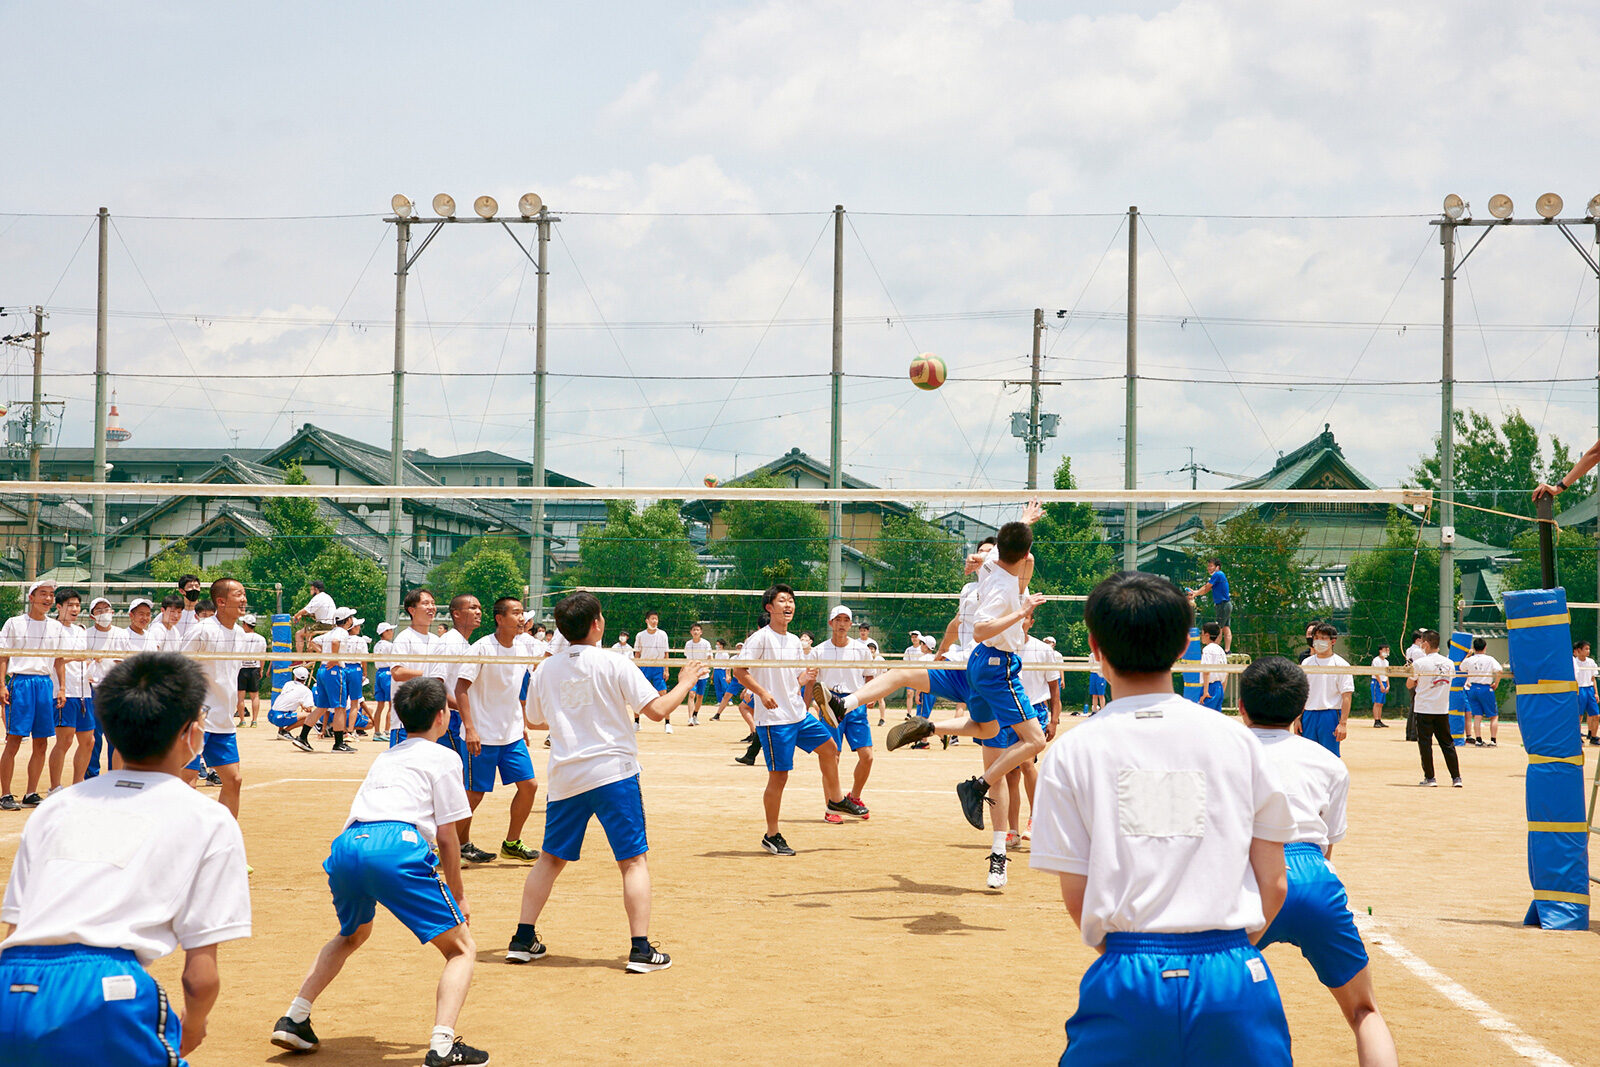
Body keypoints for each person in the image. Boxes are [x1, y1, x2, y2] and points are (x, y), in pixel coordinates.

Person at [1029, 571, 1295, 1065]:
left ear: (1094, 646)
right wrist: (1225, 947)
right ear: (1182, 647)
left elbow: (1076, 896)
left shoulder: (1070, 753)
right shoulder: (1238, 741)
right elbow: (1275, 884)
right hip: (1233, 970)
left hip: (1128, 970)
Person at [0, 651, 252, 1066]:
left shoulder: (57, 806)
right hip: (104, 986)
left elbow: (17, 924)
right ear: (190, 734)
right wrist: (195, 1023)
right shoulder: (208, 817)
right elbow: (200, 974)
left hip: (12, 981)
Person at [270, 677, 486, 1067]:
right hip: (396, 845)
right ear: (443, 716)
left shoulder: (388, 755)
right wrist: (458, 893)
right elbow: (448, 837)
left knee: (351, 935)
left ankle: (295, 1016)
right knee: (461, 948)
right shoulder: (445, 757)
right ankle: (441, 1045)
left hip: (348, 844)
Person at [508, 591, 708, 973]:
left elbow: (533, 720)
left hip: (567, 775)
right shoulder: (613, 662)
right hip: (614, 774)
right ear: (597, 624)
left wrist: (573, 714)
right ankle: (641, 949)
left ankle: (522, 939)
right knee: (633, 861)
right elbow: (657, 711)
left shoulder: (545, 669)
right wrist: (686, 679)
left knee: (550, 859)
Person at [1239, 656, 1399, 1067]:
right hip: (1313, 876)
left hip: (1247, 878)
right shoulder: (1328, 761)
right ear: (1300, 712)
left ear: (1240, 707)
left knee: (1212, 1003)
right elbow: (1328, 846)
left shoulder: (1222, 755)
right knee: (1364, 1011)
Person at [732, 584, 865, 856]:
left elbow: (792, 678)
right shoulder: (760, 638)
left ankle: (836, 800)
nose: (788, 605)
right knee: (779, 777)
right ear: (769, 607)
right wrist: (762, 693)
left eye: (791, 601)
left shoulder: (794, 641)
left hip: (798, 714)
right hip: (774, 719)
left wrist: (803, 678)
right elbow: (739, 670)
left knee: (830, 749)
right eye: (782, 601)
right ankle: (772, 835)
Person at [455, 597, 541, 863]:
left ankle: (512, 842)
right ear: (499, 619)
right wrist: (470, 728)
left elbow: (513, 690)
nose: (521, 618)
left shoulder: (523, 649)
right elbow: (460, 689)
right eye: (515, 613)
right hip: (481, 734)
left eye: (522, 613)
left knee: (529, 786)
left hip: (512, 734)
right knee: (473, 795)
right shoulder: (481, 648)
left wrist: (522, 724)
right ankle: (456, 847)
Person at [178, 578, 252, 819]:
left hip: (223, 720)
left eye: (244, 594)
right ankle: (184, 846)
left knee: (234, 780)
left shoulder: (240, 634)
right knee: (187, 781)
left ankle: (224, 842)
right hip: (196, 718)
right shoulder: (202, 630)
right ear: (221, 601)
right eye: (238, 595)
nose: (244, 599)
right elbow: (180, 669)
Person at [0, 579, 65, 810]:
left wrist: (62, 688)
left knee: (41, 743)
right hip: (21, 682)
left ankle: (30, 793)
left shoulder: (56, 627)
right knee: (14, 740)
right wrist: (2, 685)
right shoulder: (14, 623)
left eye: (51, 595)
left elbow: (59, 660)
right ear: (31, 597)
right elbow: (3, 657)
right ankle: (5, 794)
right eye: (43, 594)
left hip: (45, 684)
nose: (48, 599)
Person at [812, 605, 874, 820]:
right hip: (830, 704)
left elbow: (869, 677)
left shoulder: (861, 649)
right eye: (837, 619)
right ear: (831, 623)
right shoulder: (819, 650)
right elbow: (810, 680)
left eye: (845, 620)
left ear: (850, 624)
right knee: (832, 757)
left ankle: (854, 796)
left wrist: (870, 696)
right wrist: (805, 706)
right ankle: (831, 805)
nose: (841, 623)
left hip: (855, 704)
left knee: (867, 756)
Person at [49, 588, 95, 791]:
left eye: (77, 605)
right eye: (70, 605)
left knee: (89, 741)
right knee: (65, 740)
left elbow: (84, 657)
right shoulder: (51, 629)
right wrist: (75, 657)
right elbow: (50, 660)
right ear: (59, 607)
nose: (75, 609)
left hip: (84, 692)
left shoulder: (81, 630)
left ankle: (78, 784)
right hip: (63, 692)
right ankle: (55, 787)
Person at [1408, 630, 1461, 787]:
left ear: (1426, 644)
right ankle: (1456, 778)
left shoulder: (1420, 663)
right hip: (1442, 709)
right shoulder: (1449, 663)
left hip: (1424, 708)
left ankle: (1430, 778)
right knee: (1447, 744)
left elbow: (1409, 684)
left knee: (1425, 744)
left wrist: (1417, 680)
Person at [83, 596, 127, 778]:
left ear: (113, 612)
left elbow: (124, 661)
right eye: (98, 610)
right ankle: (91, 776)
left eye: (106, 609)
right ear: (92, 616)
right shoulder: (87, 634)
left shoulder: (121, 633)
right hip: (94, 689)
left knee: (116, 737)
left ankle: (114, 776)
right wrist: (93, 660)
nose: (103, 613)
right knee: (93, 737)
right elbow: (82, 662)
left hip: (115, 690)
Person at [1300, 624, 1354, 757]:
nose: (1318, 641)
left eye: (1323, 638)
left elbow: (1346, 696)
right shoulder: (1306, 663)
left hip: (1329, 715)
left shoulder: (1341, 665)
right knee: (1308, 756)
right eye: (1316, 638)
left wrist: (1343, 723)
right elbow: (1301, 693)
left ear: (1333, 641)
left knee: (1329, 757)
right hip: (1308, 715)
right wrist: (1297, 719)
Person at [308, 608, 352, 753]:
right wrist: (333, 658)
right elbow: (335, 642)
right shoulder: (341, 633)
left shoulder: (331, 632)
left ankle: (302, 737)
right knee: (340, 707)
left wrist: (324, 655)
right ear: (347, 620)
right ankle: (338, 744)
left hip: (322, 670)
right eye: (351, 617)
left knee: (321, 707)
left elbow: (313, 641)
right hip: (334, 671)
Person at [634, 611, 673, 733]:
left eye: (656, 619)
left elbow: (666, 653)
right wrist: (636, 669)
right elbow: (637, 654)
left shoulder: (662, 634)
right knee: (637, 694)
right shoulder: (640, 635)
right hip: (644, 666)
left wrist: (666, 669)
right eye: (652, 619)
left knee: (663, 694)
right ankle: (636, 722)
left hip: (658, 666)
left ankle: (667, 723)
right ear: (647, 620)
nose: (654, 621)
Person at [1461, 637, 1503, 748]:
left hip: (1473, 689)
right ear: (1485, 647)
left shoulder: (1470, 660)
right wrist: (1496, 683)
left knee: (1477, 716)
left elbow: (1461, 667)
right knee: (1493, 716)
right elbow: (1500, 670)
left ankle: (1478, 740)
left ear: (1474, 648)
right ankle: (1493, 740)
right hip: (1485, 688)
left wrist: (1468, 655)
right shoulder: (1489, 659)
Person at [1186, 557, 1233, 652]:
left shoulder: (1218, 574)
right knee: (1226, 628)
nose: (1209, 568)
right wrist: (1195, 593)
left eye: (1211, 566)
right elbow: (1206, 590)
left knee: (1218, 628)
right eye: (1208, 566)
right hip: (1224, 605)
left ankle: (1215, 650)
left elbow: (1206, 586)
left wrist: (1195, 593)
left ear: (1217, 567)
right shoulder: (1218, 576)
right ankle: (1227, 651)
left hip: (1223, 606)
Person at [270, 666, 320, 749]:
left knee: (285, 708)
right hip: (280, 718)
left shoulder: (288, 684)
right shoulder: (306, 691)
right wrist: (303, 705)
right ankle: (285, 731)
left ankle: (281, 730)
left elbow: (287, 699)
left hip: (271, 714)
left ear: (295, 676)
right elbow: (309, 709)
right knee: (309, 716)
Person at [236, 614, 266, 729]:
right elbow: (262, 656)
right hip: (254, 668)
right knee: (255, 696)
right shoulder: (261, 638)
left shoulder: (240, 637)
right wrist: (261, 669)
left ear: (245, 624)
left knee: (240, 696)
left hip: (241, 668)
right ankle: (254, 721)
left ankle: (242, 721)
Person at [342, 616, 370, 737]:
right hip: (355, 669)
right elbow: (364, 659)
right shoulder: (360, 640)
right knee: (354, 703)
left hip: (343, 668)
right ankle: (350, 730)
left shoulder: (342, 638)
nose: (359, 627)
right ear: (352, 628)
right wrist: (365, 672)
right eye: (357, 626)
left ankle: (341, 730)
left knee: (342, 702)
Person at [371, 621, 396, 742]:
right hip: (387, 673)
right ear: (384, 632)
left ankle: (377, 732)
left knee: (380, 706)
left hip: (379, 673)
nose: (392, 632)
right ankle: (387, 731)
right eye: (390, 630)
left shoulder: (377, 645)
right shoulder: (389, 645)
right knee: (392, 704)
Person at [683, 623, 711, 726]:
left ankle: (695, 715)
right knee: (691, 694)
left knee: (700, 697)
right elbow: (687, 659)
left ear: (701, 632)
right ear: (691, 632)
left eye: (697, 630)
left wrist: (707, 668)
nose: (695, 632)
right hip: (692, 674)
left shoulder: (706, 643)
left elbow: (709, 657)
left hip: (703, 674)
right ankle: (690, 718)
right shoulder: (688, 644)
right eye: (694, 630)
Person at [1198, 620, 1227, 712]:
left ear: (1207, 635)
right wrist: (1222, 690)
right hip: (1219, 688)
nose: (1201, 637)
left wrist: (1206, 691)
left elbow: (1206, 671)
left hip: (1210, 687)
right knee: (1216, 718)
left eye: (1202, 634)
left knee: (1204, 717)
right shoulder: (1221, 650)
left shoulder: (1207, 650)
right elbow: (1226, 672)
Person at [1575, 640, 1599, 746]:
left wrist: (1596, 693)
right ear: (1578, 650)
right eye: (1586, 649)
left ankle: (1593, 737)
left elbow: (1593, 678)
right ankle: (1576, 738)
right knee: (1579, 716)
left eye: (1589, 649)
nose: (1588, 651)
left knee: (1596, 715)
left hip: (1589, 690)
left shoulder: (1591, 662)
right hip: (1579, 690)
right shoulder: (1574, 662)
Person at [1369, 644, 1391, 728]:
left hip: (1384, 682)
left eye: (1388, 650)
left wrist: (1388, 685)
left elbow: (1387, 674)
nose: (1387, 652)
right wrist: (1381, 684)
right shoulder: (1376, 660)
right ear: (1380, 650)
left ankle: (1379, 719)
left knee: (1381, 703)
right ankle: (1376, 720)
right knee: (1377, 702)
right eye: (1385, 650)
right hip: (1376, 682)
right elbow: (1376, 673)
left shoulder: (1386, 662)